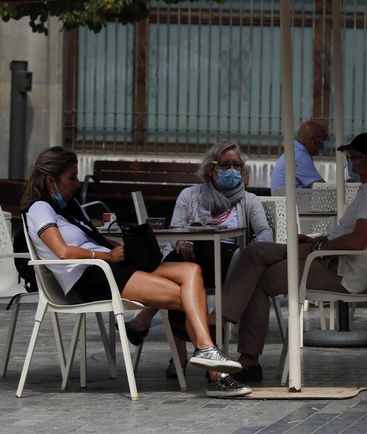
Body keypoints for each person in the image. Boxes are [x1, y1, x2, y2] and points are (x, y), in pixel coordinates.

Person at [21, 146, 248, 398]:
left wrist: (128, 250)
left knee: (192, 271)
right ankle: (215, 371)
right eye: (71, 177)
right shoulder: (39, 208)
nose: (76, 183)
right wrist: (106, 255)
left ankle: (206, 352)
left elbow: (92, 238)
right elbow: (62, 251)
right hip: (92, 277)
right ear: (51, 181)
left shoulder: (71, 207)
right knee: (189, 296)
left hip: (111, 266)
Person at [219, 132, 367, 382]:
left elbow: (357, 241)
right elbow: (352, 236)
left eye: (353, 158)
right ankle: (224, 329)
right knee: (255, 252)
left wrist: (315, 249)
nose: (350, 163)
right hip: (331, 258)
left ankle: (238, 348)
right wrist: (317, 242)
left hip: (342, 272)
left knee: (258, 277)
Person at [126, 142, 273, 386]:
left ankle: (150, 325)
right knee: (177, 270)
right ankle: (191, 351)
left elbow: (264, 231)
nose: (232, 170)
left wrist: (254, 252)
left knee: (187, 266)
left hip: (229, 263)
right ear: (211, 168)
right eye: (225, 164)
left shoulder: (248, 200)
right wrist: (181, 242)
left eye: (237, 165)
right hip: (190, 260)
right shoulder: (189, 195)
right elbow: (175, 232)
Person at [270, 119, 330, 192]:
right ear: (314, 141)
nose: (326, 143)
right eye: (324, 138)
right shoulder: (299, 156)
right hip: (291, 202)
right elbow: (323, 189)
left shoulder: (295, 152)